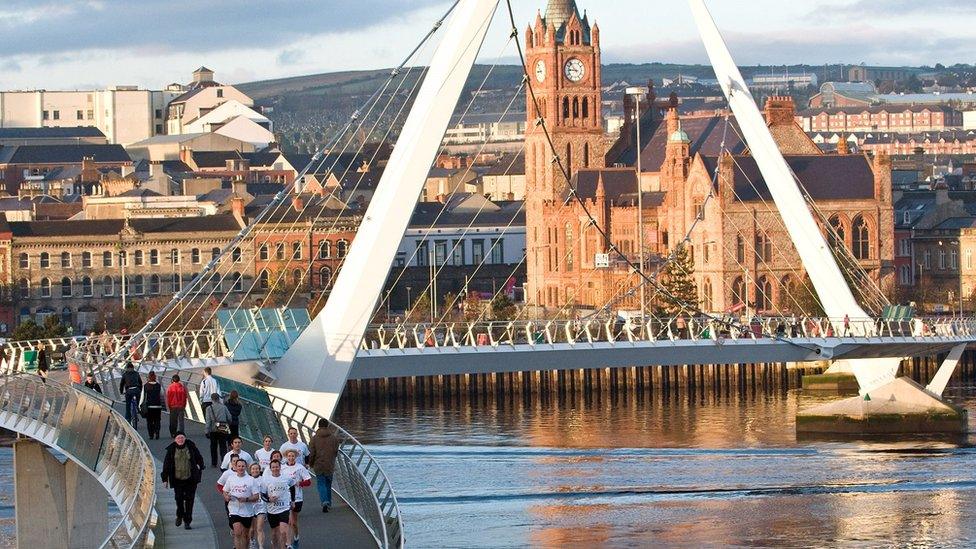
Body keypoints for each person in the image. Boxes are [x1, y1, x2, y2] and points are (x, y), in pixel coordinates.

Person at [161, 432, 205, 530]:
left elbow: (199, 458)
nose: (180, 440)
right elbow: (166, 465)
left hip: (190, 479)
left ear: (185, 438)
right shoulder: (171, 450)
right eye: (178, 438)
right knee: (179, 499)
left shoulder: (191, 447)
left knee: (190, 500)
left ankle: (187, 521)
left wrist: (199, 466)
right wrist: (165, 479)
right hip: (177, 480)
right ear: (175, 440)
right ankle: (180, 515)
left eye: (182, 438)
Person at [223, 457, 260, 549]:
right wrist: (226, 497)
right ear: (235, 467)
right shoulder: (231, 478)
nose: (241, 468)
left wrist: (246, 499)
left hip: (247, 511)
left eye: (243, 466)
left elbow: (256, 496)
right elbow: (225, 491)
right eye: (239, 466)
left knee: (245, 535)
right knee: (237, 532)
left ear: (246, 467)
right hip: (234, 509)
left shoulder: (251, 480)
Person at [308, 418, 341, 513]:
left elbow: (312, 452)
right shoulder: (334, 438)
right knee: (328, 484)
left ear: (318, 426)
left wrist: (311, 463)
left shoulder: (314, 438)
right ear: (327, 426)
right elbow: (335, 451)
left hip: (318, 464)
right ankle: (329, 502)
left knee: (321, 483)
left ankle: (324, 501)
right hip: (329, 464)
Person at [280, 449, 312, 549]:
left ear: (296, 457)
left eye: (293, 456)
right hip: (285, 498)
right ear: (286, 457)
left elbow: (308, 481)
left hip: (297, 497)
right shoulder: (282, 468)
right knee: (288, 521)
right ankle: (288, 543)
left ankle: (296, 537)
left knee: (294, 523)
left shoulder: (300, 467)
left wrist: (300, 483)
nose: (291, 458)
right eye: (289, 456)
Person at [262, 459, 297, 549]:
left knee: (283, 532)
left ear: (280, 467)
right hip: (272, 510)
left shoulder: (286, 478)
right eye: (273, 467)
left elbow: (293, 487)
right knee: (274, 533)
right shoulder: (266, 480)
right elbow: (262, 495)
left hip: (284, 508)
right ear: (270, 468)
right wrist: (269, 499)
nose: (275, 469)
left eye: (277, 467)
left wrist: (293, 501)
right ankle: (274, 546)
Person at [206, 393, 232, 468]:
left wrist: (207, 431)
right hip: (223, 428)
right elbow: (229, 417)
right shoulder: (224, 407)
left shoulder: (209, 408)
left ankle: (214, 463)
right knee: (223, 446)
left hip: (213, 429)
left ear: (211, 399)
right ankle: (223, 462)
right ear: (218, 398)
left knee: (213, 446)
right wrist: (227, 424)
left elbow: (208, 421)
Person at [248, 462, 268, 549]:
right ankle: (252, 541)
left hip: (261, 506)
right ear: (250, 470)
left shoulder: (264, 480)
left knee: (259, 528)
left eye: (257, 469)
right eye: (253, 469)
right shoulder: (247, 480)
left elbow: (267, 492)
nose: (255, 470)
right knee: (252, 529)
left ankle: (261, 546)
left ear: (260, 470)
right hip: (250, 507)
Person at [119, 362, 143, 428]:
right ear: (133, 368)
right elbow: (140, 383)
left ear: (127, 368)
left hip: (129, 391)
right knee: (138, 402)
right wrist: (140, 390)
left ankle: (128, 419)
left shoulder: (125, 374)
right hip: (136, 389)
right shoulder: (136, 373)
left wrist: (121, 391)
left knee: (128, 406)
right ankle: (139, 409)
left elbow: (121, 384)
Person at [142, 371, 164, 440]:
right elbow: (162, 395)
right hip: (157, 406)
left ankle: (151, 435)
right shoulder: (158, 385)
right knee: (157, 420)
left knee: (149, 421)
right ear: (155, 377)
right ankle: (157, 433)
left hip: (149, 406)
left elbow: (142, 397)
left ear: (148, 377)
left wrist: (140, 405)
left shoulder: (145, 386)